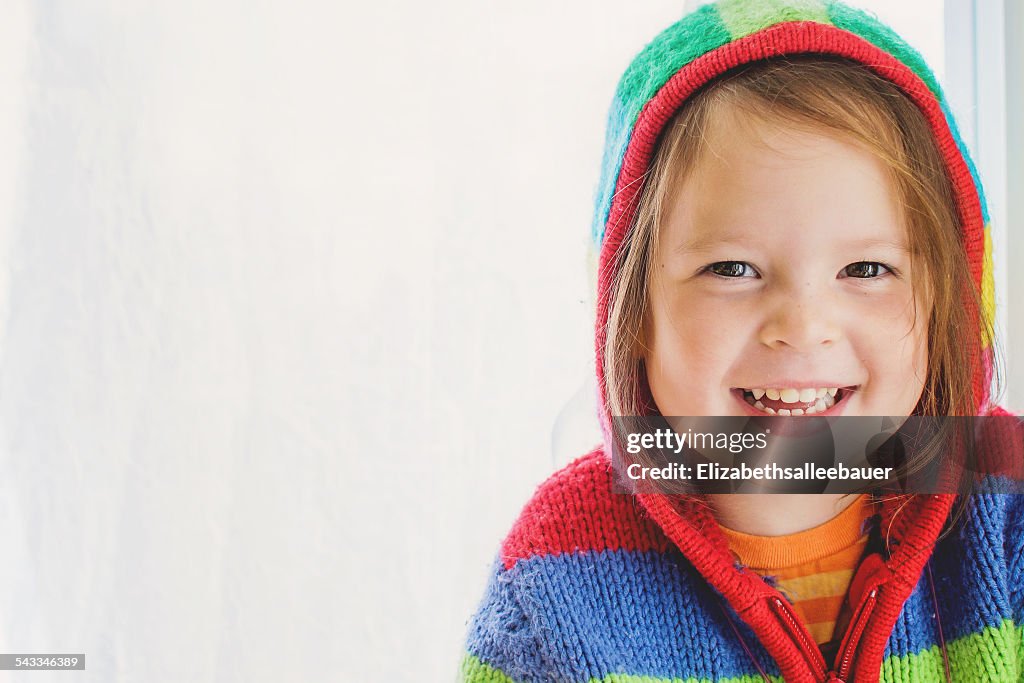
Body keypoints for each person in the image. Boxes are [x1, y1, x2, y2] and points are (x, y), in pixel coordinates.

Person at [459, 1, 1023, 681]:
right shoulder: (552, 591)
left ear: (943, 305)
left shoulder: (1008, 512)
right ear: (632, 312)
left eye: (866, 269)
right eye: (732, 269)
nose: (803, 325)